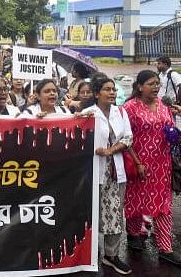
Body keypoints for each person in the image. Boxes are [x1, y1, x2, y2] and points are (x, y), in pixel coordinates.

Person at [123, 70, 181, 265]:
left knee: (163, 206)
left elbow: (169, 128)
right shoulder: (129, 108)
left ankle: (165, 247)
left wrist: (173, 133)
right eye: (151, 83)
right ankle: (133, 235)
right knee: (136, 199)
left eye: (157, 83)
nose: (156, 87)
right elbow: (124, 138)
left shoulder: (164, 107)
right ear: (140, 87)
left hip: (162, 165)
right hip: (138, 163)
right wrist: (137, 162)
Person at [81, 77, 133, 275]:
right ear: (96, 93)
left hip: (115, 171)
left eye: (113, 89)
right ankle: (90, 254)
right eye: (107, 89)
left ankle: (111, 255)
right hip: (93, 172)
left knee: (115, 214)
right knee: (91, 213)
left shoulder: (121, 112)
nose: (112, 93)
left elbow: (128, 137)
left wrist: (111, 150)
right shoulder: (88, 113)